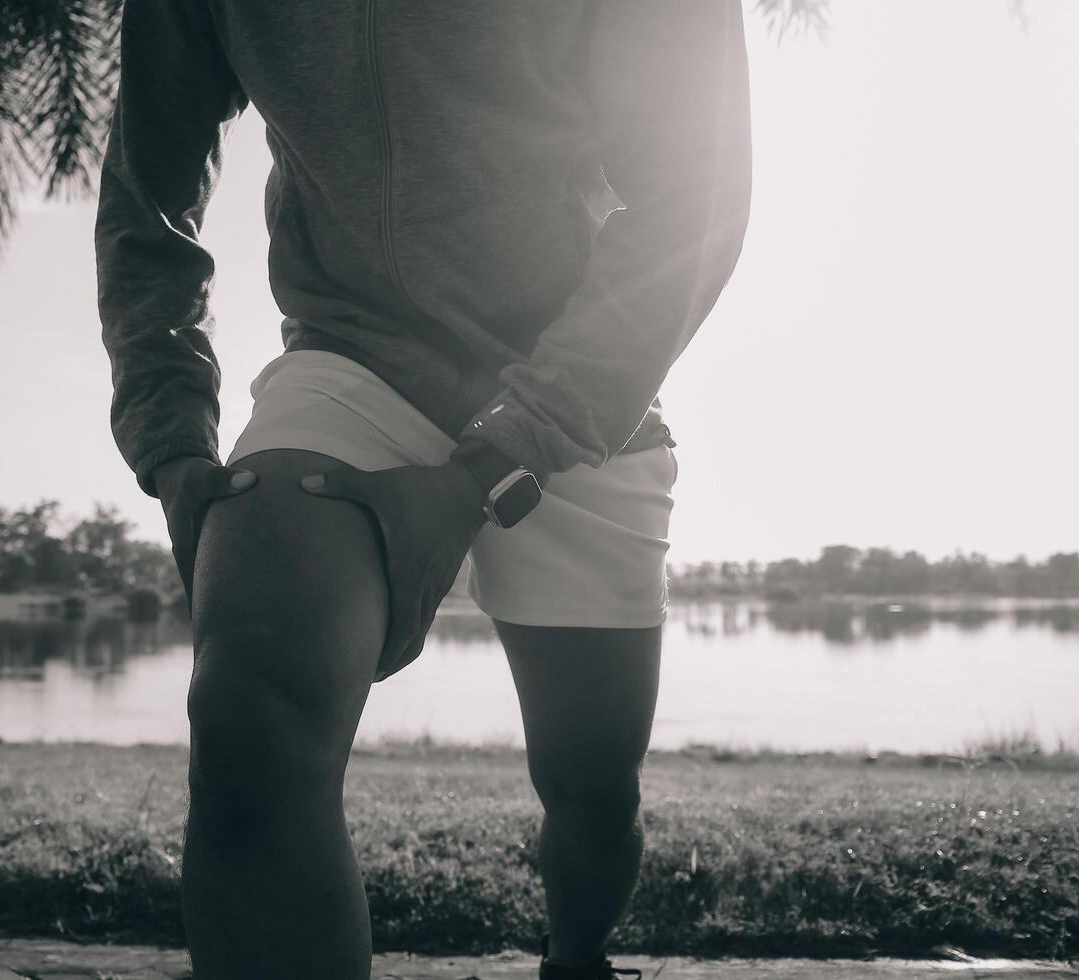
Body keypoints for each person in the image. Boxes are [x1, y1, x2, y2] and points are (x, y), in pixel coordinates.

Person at [94, 0, 752, 976]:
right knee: (246, 717)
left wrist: (502, 454)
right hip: (351, 356)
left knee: (591, 790)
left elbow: (692, 197)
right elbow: (148, 195)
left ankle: (576, 957)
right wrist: (175, 444)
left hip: (579, 370)